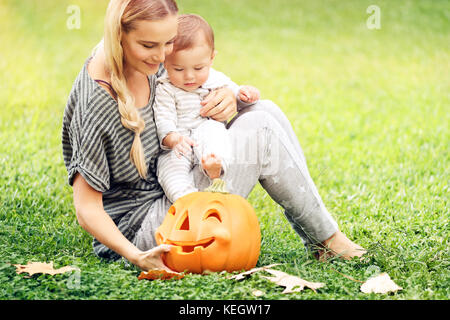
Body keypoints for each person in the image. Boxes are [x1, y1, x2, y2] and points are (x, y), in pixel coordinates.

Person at [62, 0, 365, 272]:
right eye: (149, 45)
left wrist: (227, 99)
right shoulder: (97, 102)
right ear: (118, 36)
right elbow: (86, 208)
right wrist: (137, 256)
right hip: (148, 229)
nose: (161, 57)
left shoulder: (146, 58)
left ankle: (322, 238)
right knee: (261, 127)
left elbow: (191, 81)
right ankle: (327, 241)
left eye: (168, 42)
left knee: (263, 109)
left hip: (179, 178)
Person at [154, 14, 261, 203]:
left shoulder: (215, 78)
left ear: (211, 58)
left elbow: (234, 91)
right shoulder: (165, 88)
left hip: (205, 131)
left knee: (216, 133)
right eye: (178, 69)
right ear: (165, 62)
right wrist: (173, 139)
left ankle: (215, 165)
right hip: (180, 142)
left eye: (198, 68)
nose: (189, 77)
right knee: (170, 170)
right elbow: (163, 117)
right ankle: (186, 199)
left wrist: (244, 93)